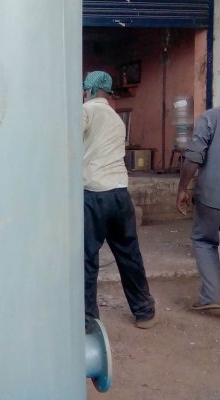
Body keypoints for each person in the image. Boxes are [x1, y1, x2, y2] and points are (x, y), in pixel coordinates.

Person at [82, 71, 156, 329]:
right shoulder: (116, 118)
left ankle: (87, 320)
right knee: (129, 254)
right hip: (120, 194)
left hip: (94, 194)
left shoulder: (86, 111)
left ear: (90, 89)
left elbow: (68, 144)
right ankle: (144, 311)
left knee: (86, 258)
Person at [176, 107, 220, 310]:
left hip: (212, 196)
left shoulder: (211, 117)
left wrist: (182, 188)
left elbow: (194, 156)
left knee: (204, 240)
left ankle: (213, 296)